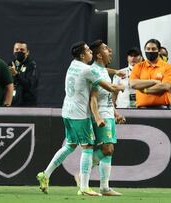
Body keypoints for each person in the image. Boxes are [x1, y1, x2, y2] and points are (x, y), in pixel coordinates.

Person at [36, 41, 123, 196]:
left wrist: (115, 71)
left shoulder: (74, 64)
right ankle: (84, 187)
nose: (90, 52)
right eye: (88, 50)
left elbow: (100, 70)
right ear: (83, 55)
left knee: (70, 145)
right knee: (88, 147)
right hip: (80, 114)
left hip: (67, 111)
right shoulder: (87, 70)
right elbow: (110, 87)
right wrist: (123, 86)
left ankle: (45, 174)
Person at [89, 39, 124, 196]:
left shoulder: (102, 69)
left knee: (109, 150)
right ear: (98, 55)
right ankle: (84, 170)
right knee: (107, 149)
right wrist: (97, 117)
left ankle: (104, 187)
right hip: (102, 113)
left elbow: (106, 95)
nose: (109, 50)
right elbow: (93, 98)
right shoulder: (95, 71)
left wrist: (115, 113)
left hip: (108, 112)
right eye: (105, 48)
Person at [129, 39, 171, 108]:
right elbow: (133, 84)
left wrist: (145, 90)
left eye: (153, 49)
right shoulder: (138, 66)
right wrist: (154, 82)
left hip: (162, 109)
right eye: (148, 49)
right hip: (141, 109)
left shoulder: (168, 67)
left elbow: (165, 86)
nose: (150, 51)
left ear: (159, 51)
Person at [9, 40, 39, 106]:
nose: (19, 52)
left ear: (27, 52)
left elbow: (29, 86)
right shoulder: (10, 65)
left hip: (27, 105)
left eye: (22, 50)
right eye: (16, 49)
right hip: (12, 104)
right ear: (13, 51)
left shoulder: (32, 66)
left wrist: (16, 75)